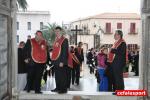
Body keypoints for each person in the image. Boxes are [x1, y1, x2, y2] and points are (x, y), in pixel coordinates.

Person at [51, 26, 69, 94]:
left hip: (61, 61)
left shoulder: (64, 40)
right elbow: (55, 51)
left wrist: (62, 62)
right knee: (57, 75)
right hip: (55, 61)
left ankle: (63, 89)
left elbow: (65, 52)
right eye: (56, 31)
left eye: (58, 31)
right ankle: (57, 87)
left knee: (62, 76)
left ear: (61, 31)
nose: (57, 32)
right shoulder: (56, 40)